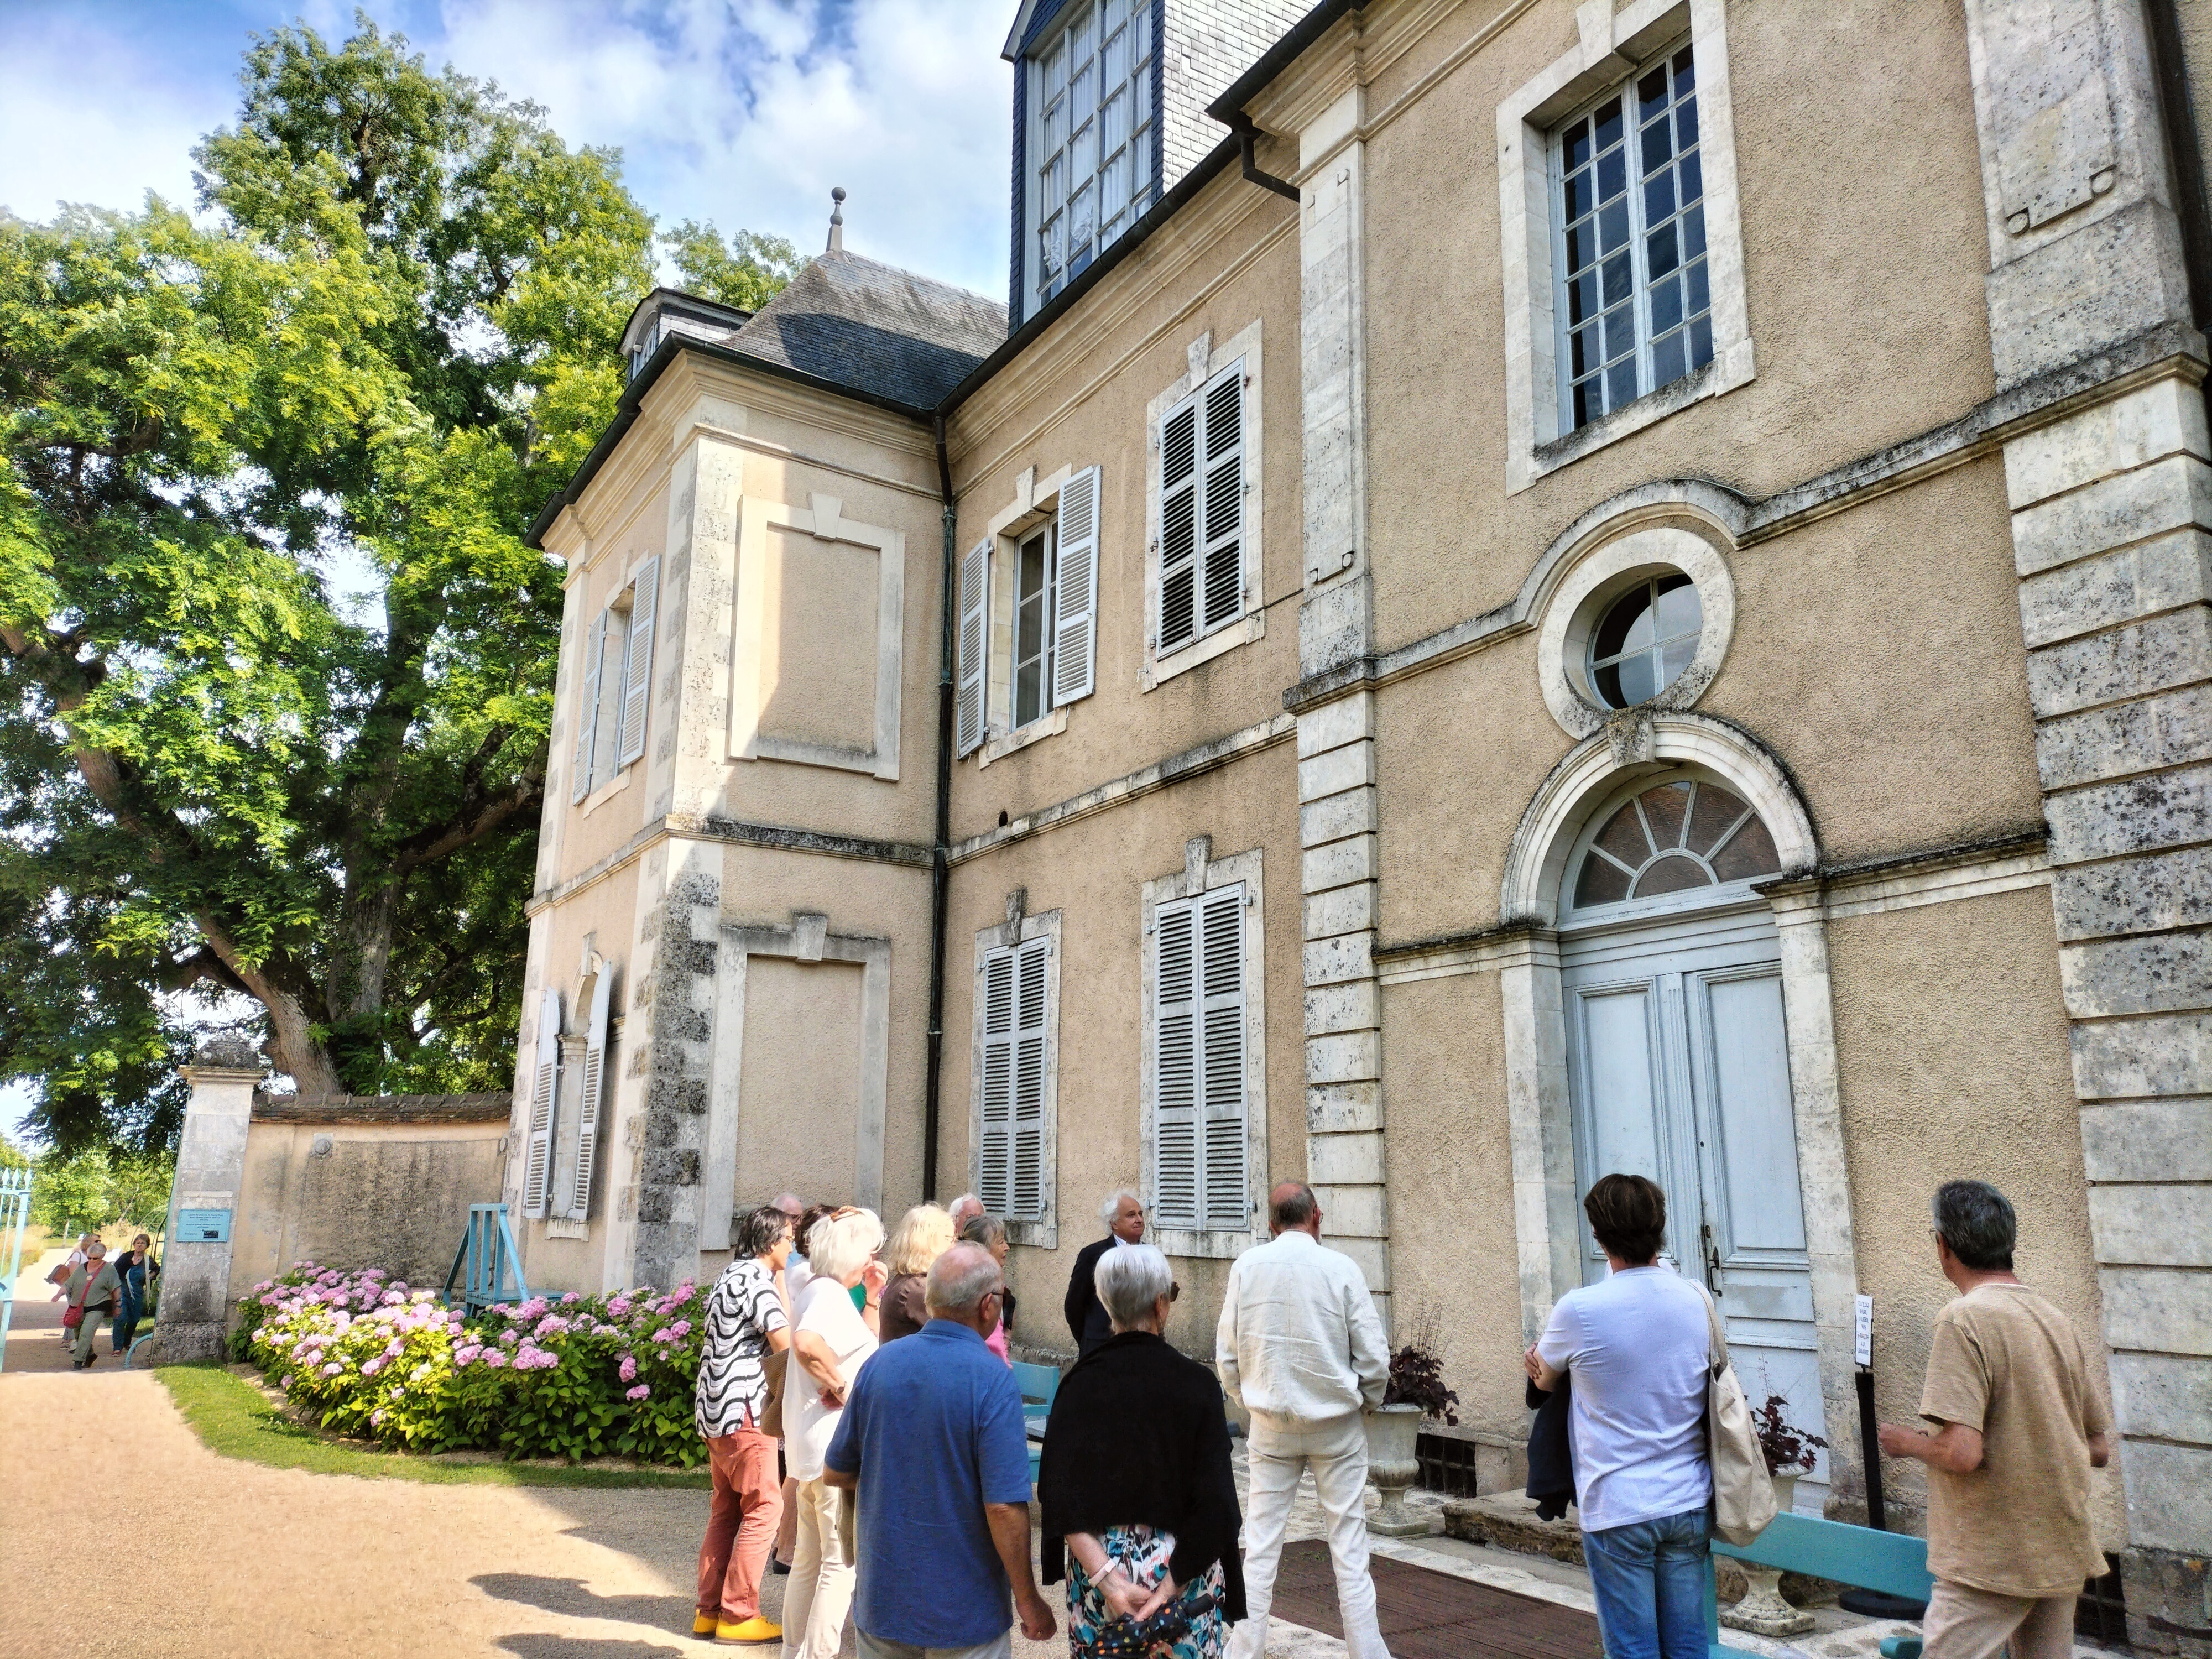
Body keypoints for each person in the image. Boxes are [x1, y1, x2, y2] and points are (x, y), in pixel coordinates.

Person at [1877, 1181, 2112, 1659]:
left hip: (1992, 1557)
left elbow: (1962, 1454)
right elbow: (2097, 1448)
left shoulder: (1963, 1319)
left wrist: (1907, 1442)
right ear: (2009, 1241)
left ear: (1943, 1246)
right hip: (2060, 1546)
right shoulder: (2054, 1318)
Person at [824, 1241, 1057, 1659]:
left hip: (884, 1600)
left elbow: (836, 1471)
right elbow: (1003, 1506)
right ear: (988, 1305)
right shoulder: (991, 1377)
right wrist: (1028, 1600)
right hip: (964, 1610)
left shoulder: (881, 1364)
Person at [1523, 1174, 1712, 1659]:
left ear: (1600, 1237)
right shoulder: (1697, 1298)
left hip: (1619, 1501)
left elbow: (1541, 1385)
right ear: (1660, 1229)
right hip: (1688, 1499)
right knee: (1689, 1648)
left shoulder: (1580, 1310)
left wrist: (1541, 1369)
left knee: (1632, 1651)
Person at [1042, 1243, 1244, 1659]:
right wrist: (1167, 1592)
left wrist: (1110, 1582)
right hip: (1183, 1578)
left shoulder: (1078, 1385)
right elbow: (1217, 1503)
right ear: (1161, 1304)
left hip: (1101, 1577)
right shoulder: (1197, 1385)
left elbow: (1059, 1497)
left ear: (1105, 1302)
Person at [1216, 1181, 1390, 1659]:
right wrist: (1365, 1403)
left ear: (1271, 1223)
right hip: (1336, 1424)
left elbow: (1227, 1357)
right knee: (1350, 1549)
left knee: (1262, 1544)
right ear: (1317, 1214)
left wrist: (1249, 1400)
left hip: (1270, 1422)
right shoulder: (1341, 1268)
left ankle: (1242, 1652)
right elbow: (1374, 1359)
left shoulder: (1247, 1267)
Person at [784, 1206, 888, 1659]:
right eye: (869, 1251)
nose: (873, 1259)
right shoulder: (825, 1293)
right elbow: (808, 1345)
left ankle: (794, 1652)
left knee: (810, 1558)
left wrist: (875, 1297)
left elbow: (865, 1347)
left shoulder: (816, 1287)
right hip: (832, 1444)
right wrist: (841, 1387)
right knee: (838, 1564)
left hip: (811, 1443)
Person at [694, 1205, 800, 1645]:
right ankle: (739, 1614)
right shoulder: (757, 1282)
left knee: (726, 1509)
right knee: (766, 1508)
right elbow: (785, 1342)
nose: (793, 1247)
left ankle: (709, 1610)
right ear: (771, 1242)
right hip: (745, 1407)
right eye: (789, 1240)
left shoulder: (731, 1274)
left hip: (714, 1406)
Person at [776, 1199, 841, 1575]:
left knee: (799, 1470)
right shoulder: (807, 1276)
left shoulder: (805, 1273)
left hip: (809, 1378)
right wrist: (837, 1382)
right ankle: (786, 1548)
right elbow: (804, 1340)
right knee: (802, 1471)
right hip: (814, 1380)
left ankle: (788, 1549)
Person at [1065, 1190, 1145, 1357]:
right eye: (1131, 1215)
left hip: (1138, 1349)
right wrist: (1089, 1341)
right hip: (1100, 1348)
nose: (1139, 1220)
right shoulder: (1093, 1255)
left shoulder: (1150, 1255)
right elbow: (1074, 1306)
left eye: (1140, 1214)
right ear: (1114, 1223)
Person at [879, 1204, 956, 1342]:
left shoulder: (909, 1283)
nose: (955, 1246)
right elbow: (956, 1335)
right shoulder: (916, 1290)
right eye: (950, 1239)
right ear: (930, 1243)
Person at [959, 1213, 1015, 1363]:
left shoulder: (992, 1283)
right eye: (1001, 1242)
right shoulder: (978, 1290)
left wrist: (1007, 1337)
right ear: (982, 1248)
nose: (1007, 1248)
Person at [62, 1238, 123, 1370]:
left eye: (95, 1258)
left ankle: (78, 1361)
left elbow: (116, 1289)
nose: (91, 1260)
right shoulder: (81, 1268)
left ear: (102, 1257)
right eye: (89, 1258)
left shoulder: (109, 1269)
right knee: (79, 1334)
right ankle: (90, 1355)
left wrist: (118, 1306)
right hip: (79, 1306)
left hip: (99, 1305)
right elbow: (69, 1283)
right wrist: (58, 1294)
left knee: (87, 1332)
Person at [111, 1233, 154, 1357]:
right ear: (134, 1244)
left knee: (134, 1319)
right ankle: (117, 1347)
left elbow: (157, 1269)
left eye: (143, 1243)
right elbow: (115, 1272)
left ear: (147, 1246)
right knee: (121, 1318)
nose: (140, 1245)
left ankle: (127, 1341)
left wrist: (149, 1277)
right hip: (122, 1292)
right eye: (138, 1243)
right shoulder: (126, 1257)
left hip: (137, 1293)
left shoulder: (148, 1260)